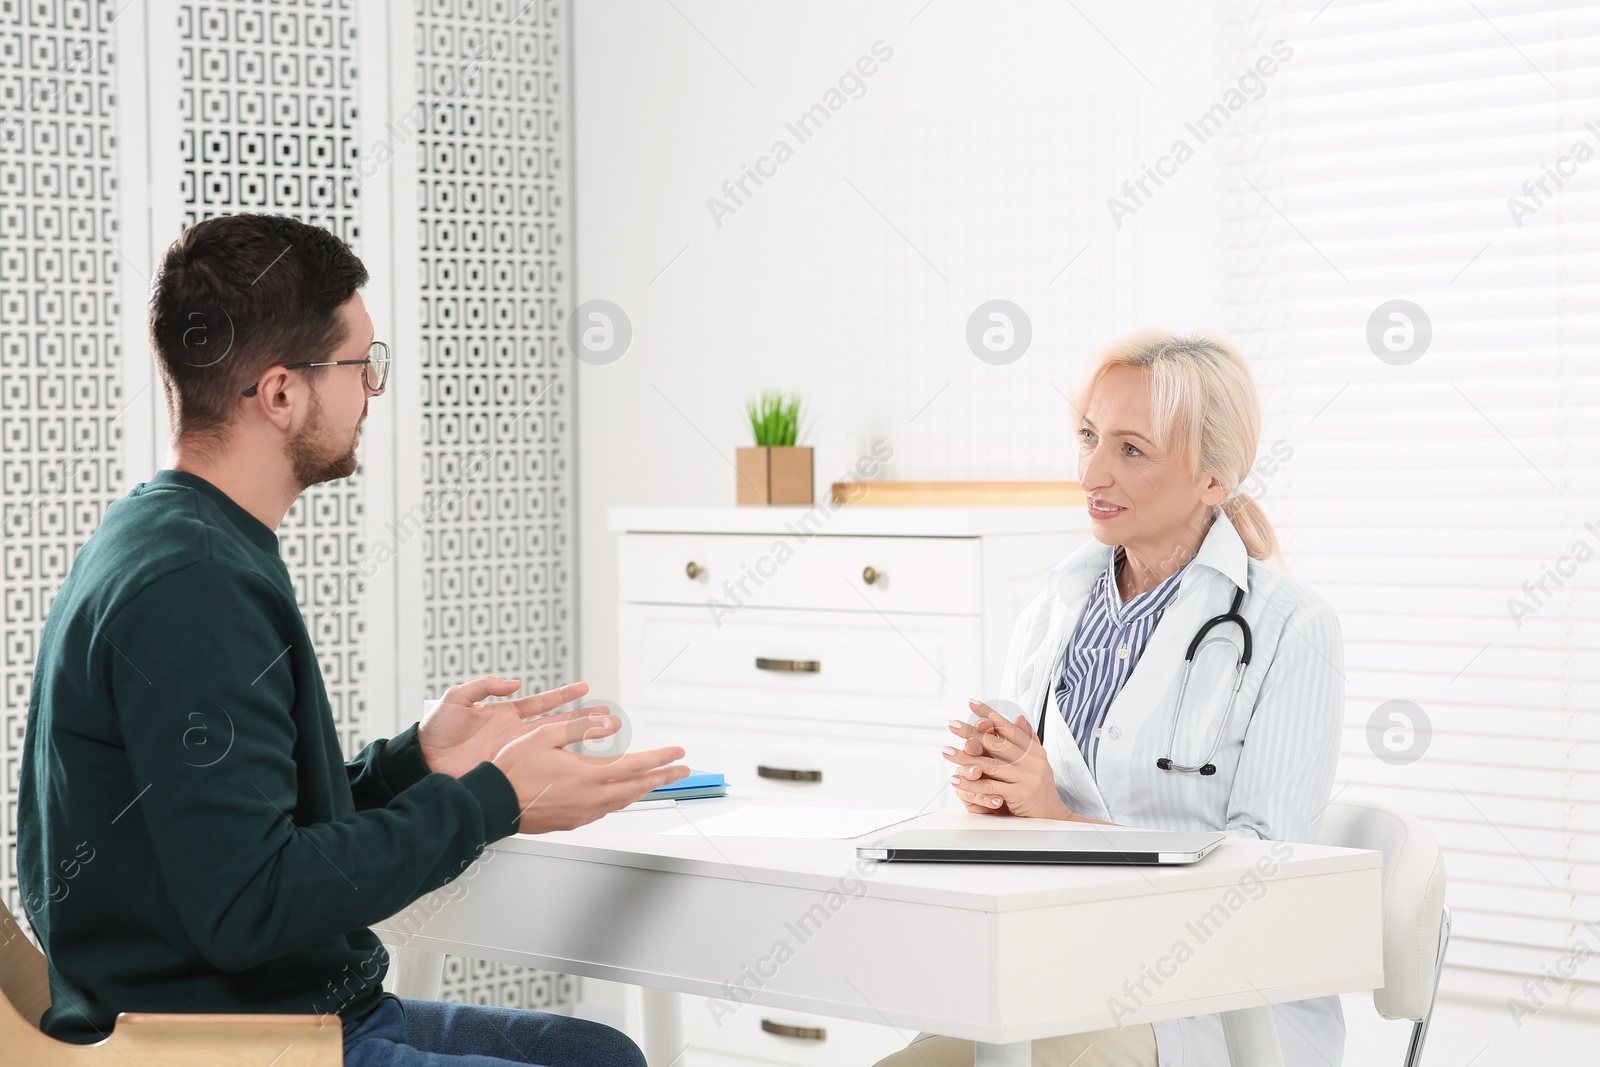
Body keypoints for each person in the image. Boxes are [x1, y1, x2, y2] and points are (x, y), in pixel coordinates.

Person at [17, 213, 688, 1066]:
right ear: (282, 393)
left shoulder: (170, 534)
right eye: (360, 365)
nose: (374, 389)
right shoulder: (195, 584)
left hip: (293, 1010)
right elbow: (250, 901)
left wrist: (417, 762)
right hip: (220, 1043)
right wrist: (490, 800)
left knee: (602, 1054)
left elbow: (237, 823)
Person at [873, 331, 1345, 1067]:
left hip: (1212, 1003)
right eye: (1089, 437)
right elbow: (1022, 822)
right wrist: (993, 798)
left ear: (1213, 480)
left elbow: (1259, 879)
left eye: (1131, 449)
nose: (1092, 471)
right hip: (1057, 969)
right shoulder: (1051, 611)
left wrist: (1057, 820)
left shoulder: (1292, 629)